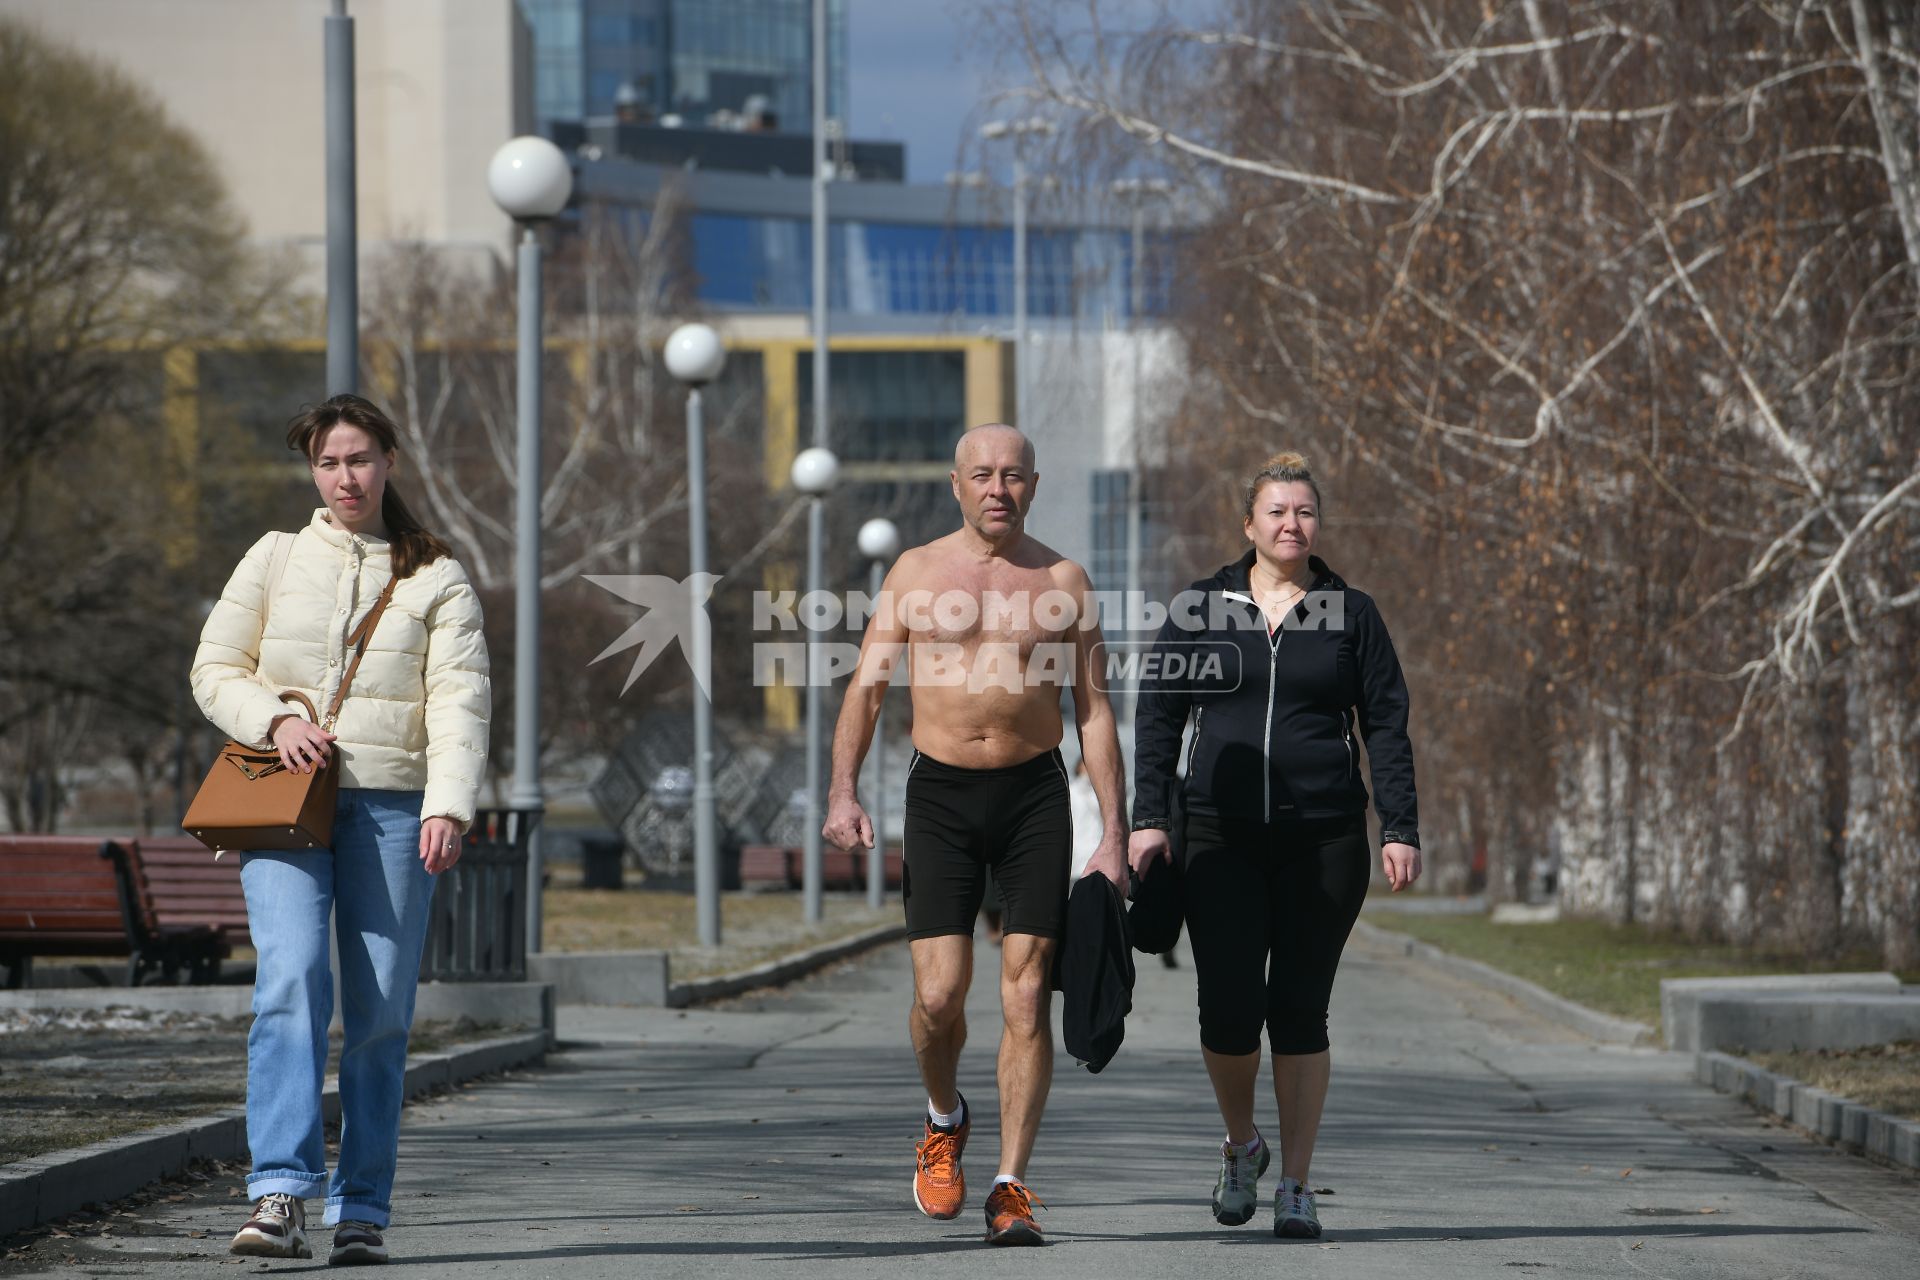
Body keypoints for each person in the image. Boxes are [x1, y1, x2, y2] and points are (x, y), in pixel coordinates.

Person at [191, 394, 490, 1264]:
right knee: (288, 984)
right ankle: (278, 1192)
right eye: (328, 463)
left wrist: (448, 803)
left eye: (358, 459)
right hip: (284, 803)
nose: (344, 477)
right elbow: (215, 667)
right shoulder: (277, 558)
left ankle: (362, 1207)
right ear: (313, 471)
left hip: (394, 808)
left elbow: (460, 700)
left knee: (380, 1018)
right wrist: (274, 720)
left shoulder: (437, 575)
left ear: (389, 461)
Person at [823, 423, 1128, 1247]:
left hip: (1034, 794)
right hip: (942, 797)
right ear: (956, 484)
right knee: (937, 996)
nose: (999, 488)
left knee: (1026, 993)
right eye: (983, 475)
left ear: (1035, 484)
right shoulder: (917, 573)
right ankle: (943, 1116)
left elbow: (1094, 714)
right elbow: (868, 688)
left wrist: (1114, 837)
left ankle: (1011, 1184)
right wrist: (843, 791)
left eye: (1014, 476)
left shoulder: (1064, 580)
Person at [1128, 451, 1420, 1241]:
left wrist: (1399, 828)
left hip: (1322, 841)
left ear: (1317, 524)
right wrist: (1147, 817)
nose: (1292, 524)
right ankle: (1240, 1145)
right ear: (1249, 524)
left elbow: (1385, 723)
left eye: (1305, 512)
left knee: (1299, 1009)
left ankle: (1295, 1182)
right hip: (1218, 837)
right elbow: (1157, 717)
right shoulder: (1200, 607)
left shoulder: (1350, 612)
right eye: (1277, 512)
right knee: (1226, 1009)